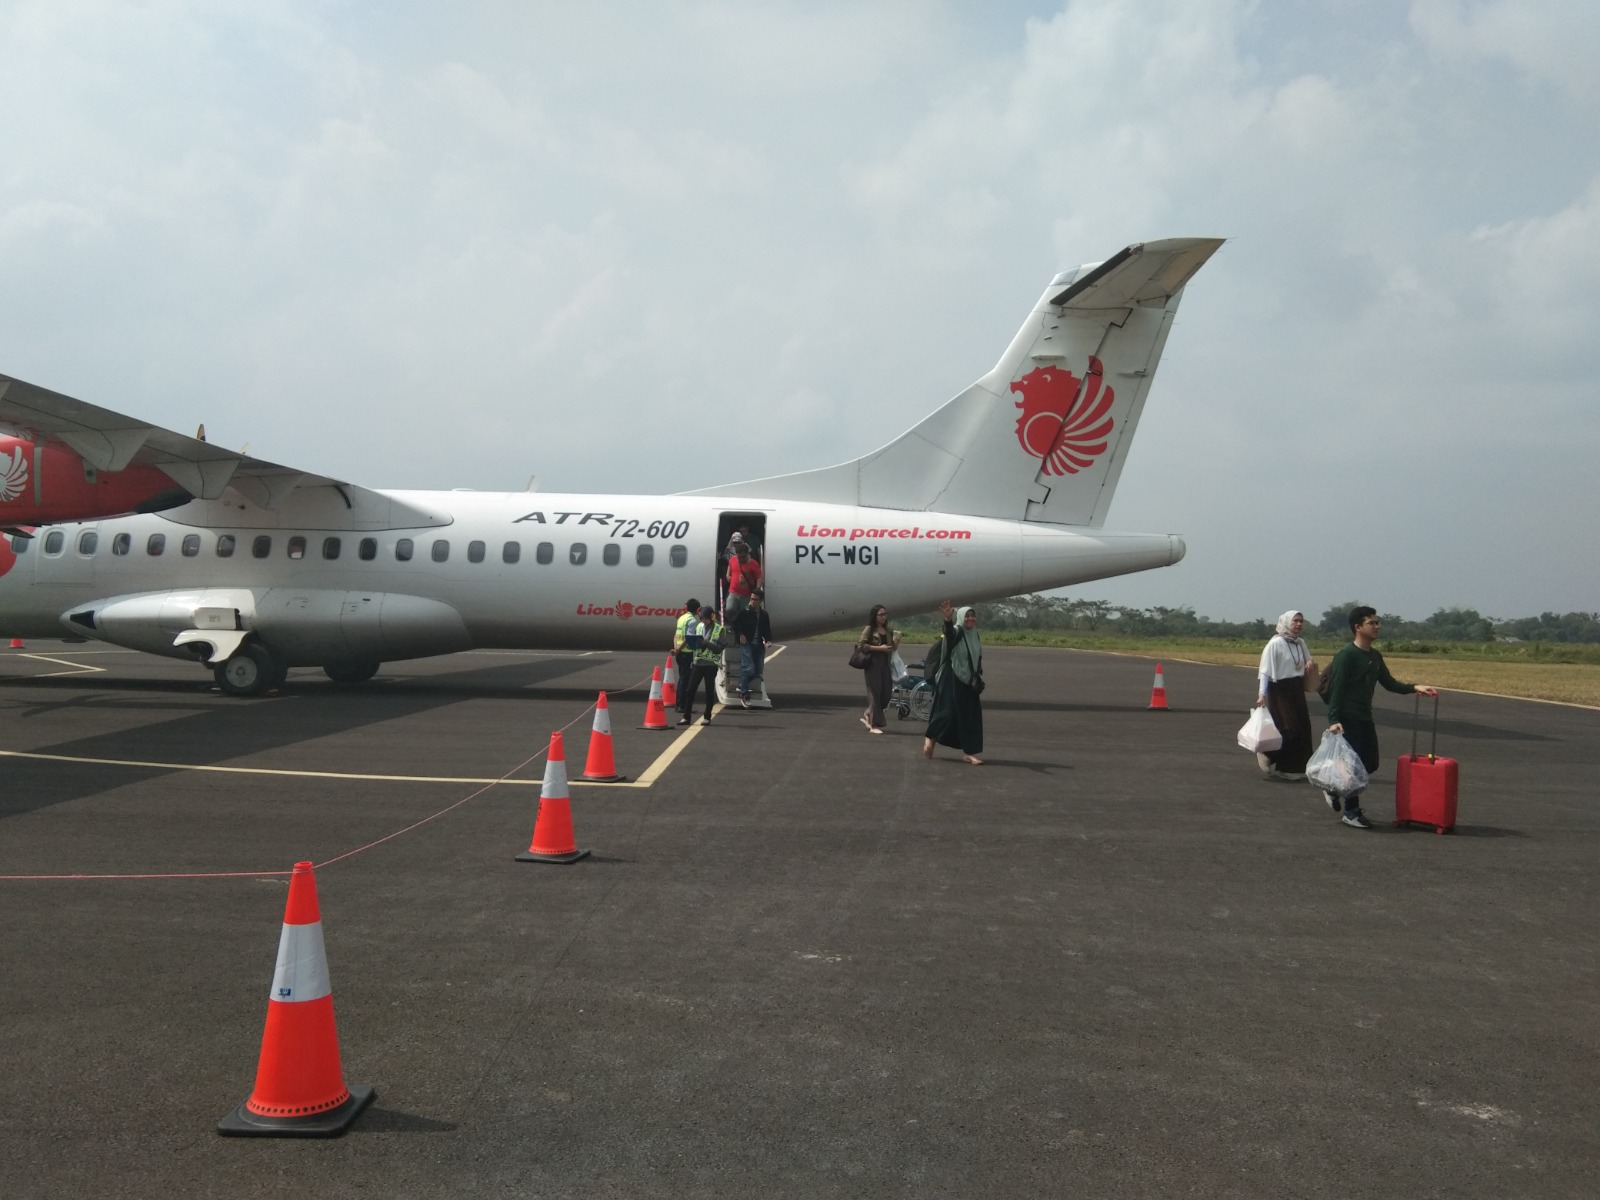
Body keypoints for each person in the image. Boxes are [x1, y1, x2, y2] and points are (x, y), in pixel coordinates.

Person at [1323, 606, 1437, 829]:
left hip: (1365, 717)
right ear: (1358, 627)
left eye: (1377, 623)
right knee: (1355, 766)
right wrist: (1334, 719)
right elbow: (1336, 690)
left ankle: (1333, 787)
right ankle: (1352, 811)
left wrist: (1414, 687)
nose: (1377, 626)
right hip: (1347, 718)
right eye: (1371, 623)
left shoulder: (1374, 656)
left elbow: (1389, 682)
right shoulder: (1346, 656)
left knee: (1370, 763)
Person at [1254, 610, 1315, 782]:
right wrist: (1261, 694)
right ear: (1287, 622)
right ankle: (1268, 753)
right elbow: (1265, 671)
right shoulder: (1275, 644)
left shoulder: (1299, 642)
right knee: (1289, 727)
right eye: (1295, 621)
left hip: (1296, 687)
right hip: (1279, 688)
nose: (1299, 624)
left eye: (1301, 621)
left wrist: (1309, 662)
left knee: (1303, 728)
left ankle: (1290, 768)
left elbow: (1308, 658)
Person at [923, 600, 984, 764]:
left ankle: (969, 752)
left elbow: (976, 655)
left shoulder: (975, 634)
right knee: (947, 712)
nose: (970, 619)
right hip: (951, 677)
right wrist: (948, 620)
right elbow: (949, 635)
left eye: (973, 616)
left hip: (969, 680)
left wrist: (977, 672)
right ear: (961, 618)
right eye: (967, 616)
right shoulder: (957, 631)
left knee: (971, 717)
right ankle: (931, 737)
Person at [855, 604, 900, 733]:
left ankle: (869, 712)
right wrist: (879, 648)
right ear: (875, 616)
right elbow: (861, 645)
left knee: (886, 693)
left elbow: (892, 647)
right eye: (881, 614)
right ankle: (873, 725)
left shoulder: (889, 630)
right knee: (875, 692)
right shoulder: (869, 629)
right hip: (873, 663)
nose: (884, 617)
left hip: (885, 663)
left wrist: (895, 643)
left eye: (885, 614)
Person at [680, 605, 725, 726]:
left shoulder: (719, 629)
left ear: (711, 616)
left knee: (709, 691)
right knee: (690, 690)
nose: (703, 621)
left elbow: (720, 648)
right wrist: (692, 644)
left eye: (705, 619)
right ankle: (686, 716)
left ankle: (707, 716)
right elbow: (692, 642)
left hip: (711, 665)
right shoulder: (699, 627)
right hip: (698, 662)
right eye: (701, 619)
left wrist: (707, 643)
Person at [731, 590, 773, 708]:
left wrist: (768, 640)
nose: (752, 601)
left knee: (758, 671)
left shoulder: (764, 615)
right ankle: (744, 694)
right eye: (751, 599)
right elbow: (735, 623)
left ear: (760, 601)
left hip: (758, 644)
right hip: (747, 643)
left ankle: (741, 684)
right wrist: (740, 634)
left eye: (755, 600)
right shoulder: (745, 612)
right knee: (748, 668)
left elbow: (766, 630)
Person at [672, 597, 701, 720]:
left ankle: (679, 703)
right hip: (686, 653)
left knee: (682, 678)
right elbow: (688, 638)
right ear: (698, 609)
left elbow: (676, 635)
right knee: (685, 680)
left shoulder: (682, 618)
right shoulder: (692, 621)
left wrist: (676, 648)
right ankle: (682, 705)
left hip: (679, 652)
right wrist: (679, 649)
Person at [724, 539, 762, 622]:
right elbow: (728, 572)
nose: (740, 559)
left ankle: (741, 628)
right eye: (738, 557)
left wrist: (757, 589)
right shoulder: (733, 560)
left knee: (744, 613)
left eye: (742, 557)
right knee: (729, 609)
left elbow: (759, 576)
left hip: (746, 594)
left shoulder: (753, 564)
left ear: (747, 554)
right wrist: (728, 576)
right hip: (733, 592)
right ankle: (734, 624)